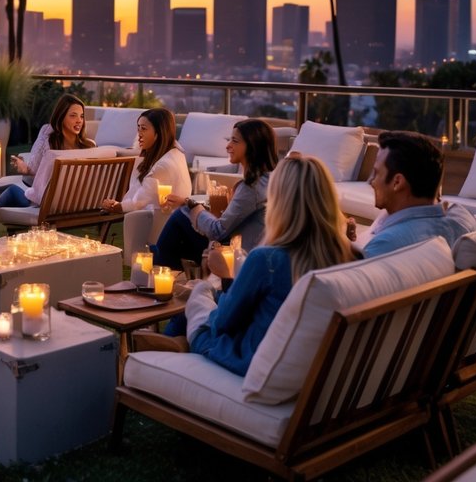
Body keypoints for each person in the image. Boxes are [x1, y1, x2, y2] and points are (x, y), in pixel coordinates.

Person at [182, 154, 356, 375]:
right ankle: (172, 340)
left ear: (279, 202)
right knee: (213, 297)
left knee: (200, 291)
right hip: (309, 366)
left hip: (248, 359)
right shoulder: (347, 257)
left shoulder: (268, 260)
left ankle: (175, 345)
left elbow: (223, 324)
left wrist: (226, 277)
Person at [153, 119, 279, 270]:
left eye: (235, 141)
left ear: (252, 146)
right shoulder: (269, 179)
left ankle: (160, 270)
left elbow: (217, 231)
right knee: (176, 237)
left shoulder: (251, 188)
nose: (228, 146)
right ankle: (162, 266)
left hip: (238, 254)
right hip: (248, 248)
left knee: (180, 217)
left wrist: (191, 205)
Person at [0, 93, 94, 208]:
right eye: (73, 116)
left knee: (12, 192)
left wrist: (26, 169)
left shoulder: (49, 145)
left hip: (49, 204)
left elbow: (35, 181)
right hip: (77, 203)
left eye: (81, 116)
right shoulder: (90, 147)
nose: (79, 121)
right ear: (61, 118)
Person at [99, 108, 190, 225]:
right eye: (138, 128)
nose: (139, 135)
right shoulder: (176, 153)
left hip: (163, 224)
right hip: (172, 219)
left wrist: (115, 206)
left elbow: (139, 202)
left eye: (144, 129)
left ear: (159, 132)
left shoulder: (162, 166)